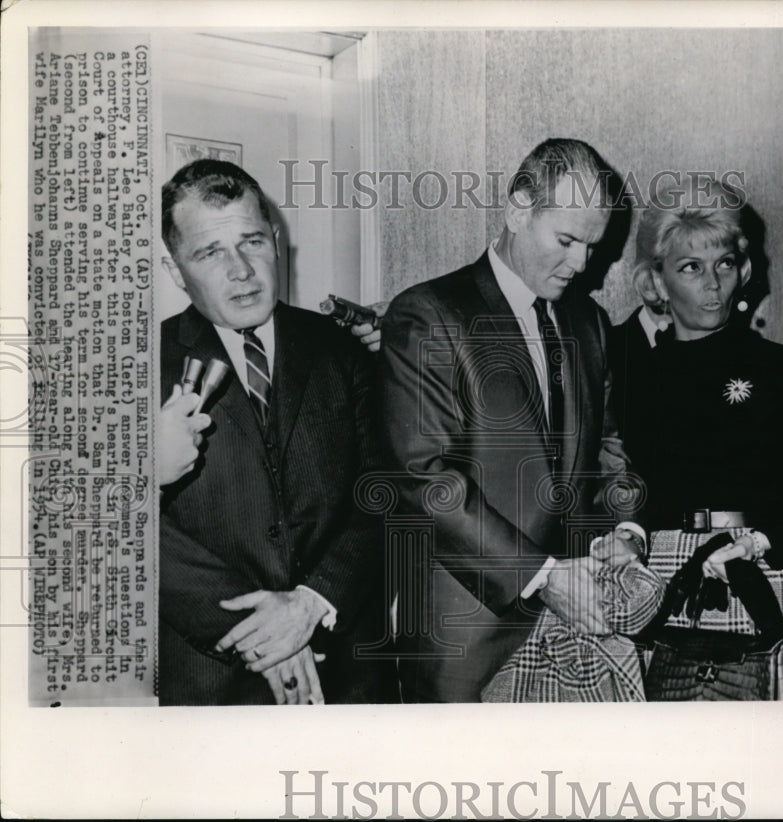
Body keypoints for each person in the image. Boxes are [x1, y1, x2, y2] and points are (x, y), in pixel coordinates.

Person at [380, 138, 645, 702]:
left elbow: (609, 447)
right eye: (567, 240)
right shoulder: (429, 314)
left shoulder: (590, 322)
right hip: (465, 640)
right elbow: (425, 481)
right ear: (518, 209)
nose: (580, 264)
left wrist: (624, 530)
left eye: (592, 246)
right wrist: (544, 577)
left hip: (571, 632)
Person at [158, 159, 396, 705]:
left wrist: (313, 601)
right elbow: (135, 531)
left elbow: (383, 489)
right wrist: (267, 637)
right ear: (176, 271)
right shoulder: (131, 369)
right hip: (211, 682)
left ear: (276, 239)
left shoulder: (343, 350)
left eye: (253, 241)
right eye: (210, 252)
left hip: (348, 675)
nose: (241, 270)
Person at [611, 179, 783, 638]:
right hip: (653, 574)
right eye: (690, 267)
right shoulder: (627, 375)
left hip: (758, 566)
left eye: (724, 263)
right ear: (656, 280)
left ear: (742, 270)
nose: (712, 284)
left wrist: (762, 541)